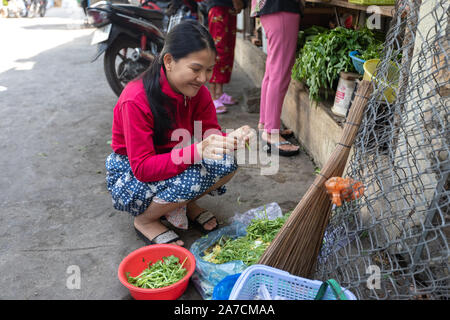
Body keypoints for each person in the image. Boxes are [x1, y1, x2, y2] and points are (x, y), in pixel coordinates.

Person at [105, 20, 253, 246]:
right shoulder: (136, 99)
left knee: (227, 162)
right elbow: (143, 168)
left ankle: (183, 204)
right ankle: (145, 220)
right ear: (169, 61)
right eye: (195, 69)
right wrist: (197, 151)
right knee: (193, 176)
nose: (203, 79)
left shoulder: (198, 92)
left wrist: (233, 140)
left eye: (208, 70)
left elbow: (209, 134)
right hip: (131, 172)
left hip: (172, 157)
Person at [251, 0, 303, 157]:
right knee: (279, 72)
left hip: (269, 7)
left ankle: (265, 125)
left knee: (273, 70)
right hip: (281, 7)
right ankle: (271, 133)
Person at [204, 0, 247, 114]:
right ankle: (212, 97)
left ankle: (219, 93)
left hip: (229, 7)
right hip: (218, 6)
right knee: (218, 51)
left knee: (227, 51)